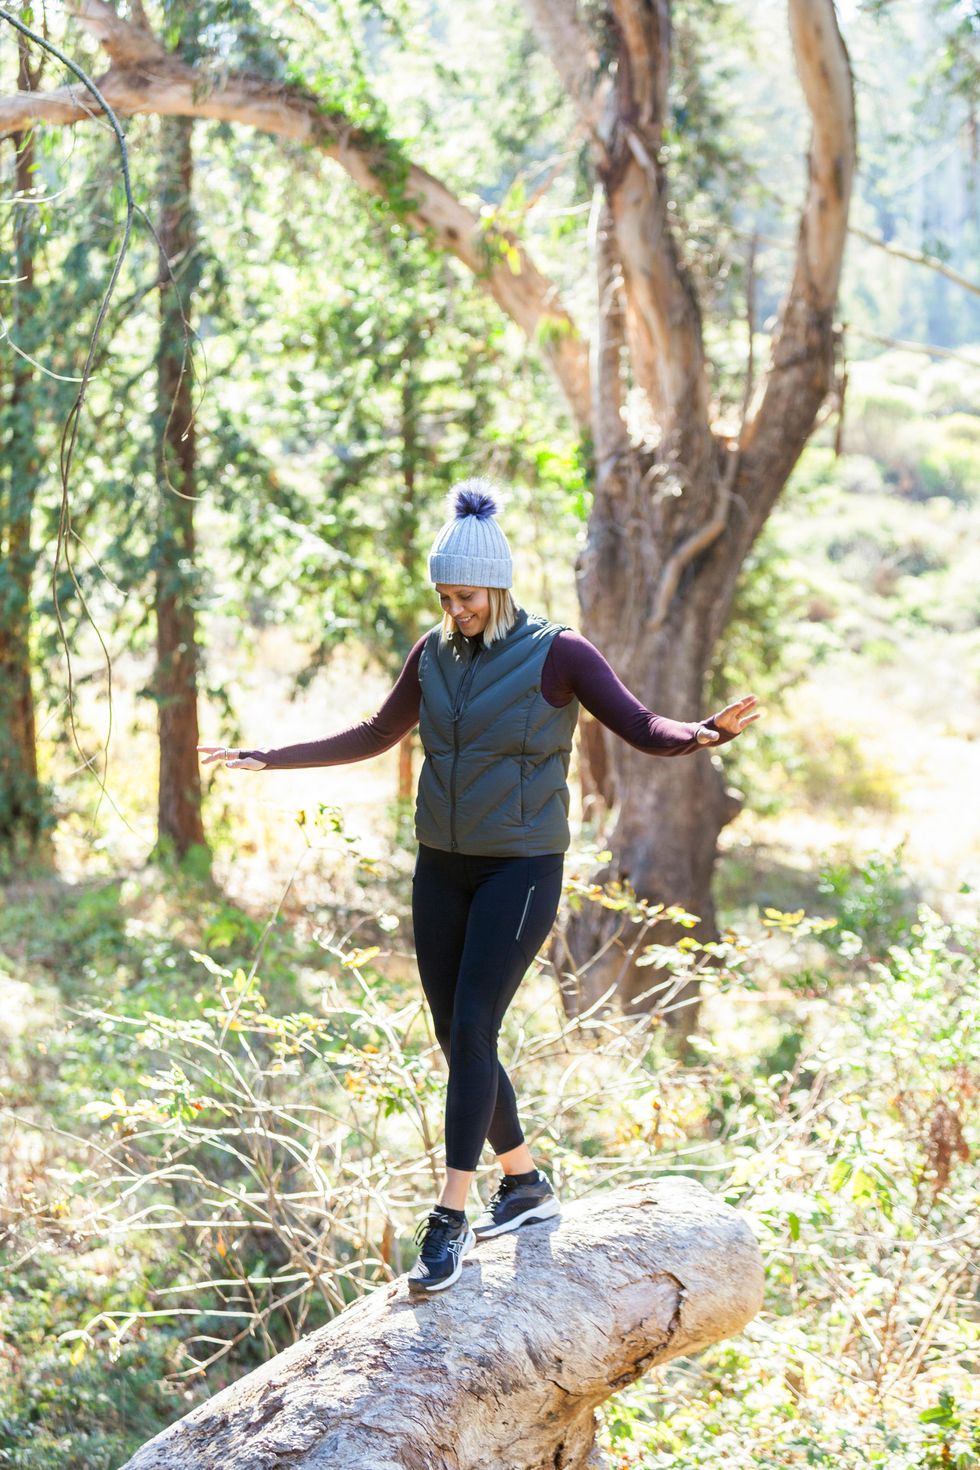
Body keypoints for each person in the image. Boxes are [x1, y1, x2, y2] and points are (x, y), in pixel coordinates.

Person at [198, 479, 761, 1295]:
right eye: (445, 597)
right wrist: (268, 758)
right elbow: (373, 733)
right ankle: (526, 1183)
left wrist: (704, 733)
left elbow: (640, 727)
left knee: (472, 1024)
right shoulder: (433, 654)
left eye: (463, 596)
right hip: (443, 864)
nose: (453, 609)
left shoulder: (558, 652)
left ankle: (451, 1220)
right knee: (457, 1036)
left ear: (494, 588)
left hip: (521, 867)